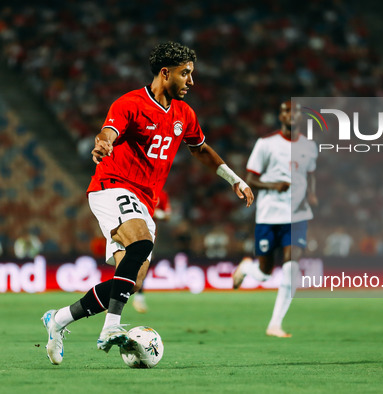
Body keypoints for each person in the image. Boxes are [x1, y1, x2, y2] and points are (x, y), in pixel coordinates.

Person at [41, 41, 254, 365]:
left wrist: (234, 179)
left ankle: (58, 320)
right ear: (165, 73)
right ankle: (111, 329)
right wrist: (103, 145)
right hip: (112, 186)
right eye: (186, 74)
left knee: (131, 280)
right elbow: (108, 132)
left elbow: (200, 149)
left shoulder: (184, 113)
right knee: (140, 242)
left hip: (144, 200)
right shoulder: (131, 103)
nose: (191, 82)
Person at [232, 101, 317, 338]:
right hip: (269, 215)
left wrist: (312, 194)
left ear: (301, 116)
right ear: (281, 116)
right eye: (286, 110)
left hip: (297, 214)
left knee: (292, 268)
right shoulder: (266, 144)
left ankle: (275, 324)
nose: (291, 114)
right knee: (265, 272)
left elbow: (310, 174)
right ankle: (248, 267)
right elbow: (251, 179)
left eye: (295, 110)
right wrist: (274, 185)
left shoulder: (310, 146)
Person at [132, 189, 171, 314]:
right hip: (132, 232)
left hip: (149, 236)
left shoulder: (162, 194)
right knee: (128, 265)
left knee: (143, 267)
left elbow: (168, 215)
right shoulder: (137, 189)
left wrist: (159, 214)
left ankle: (138, 298)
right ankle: (112, 298)